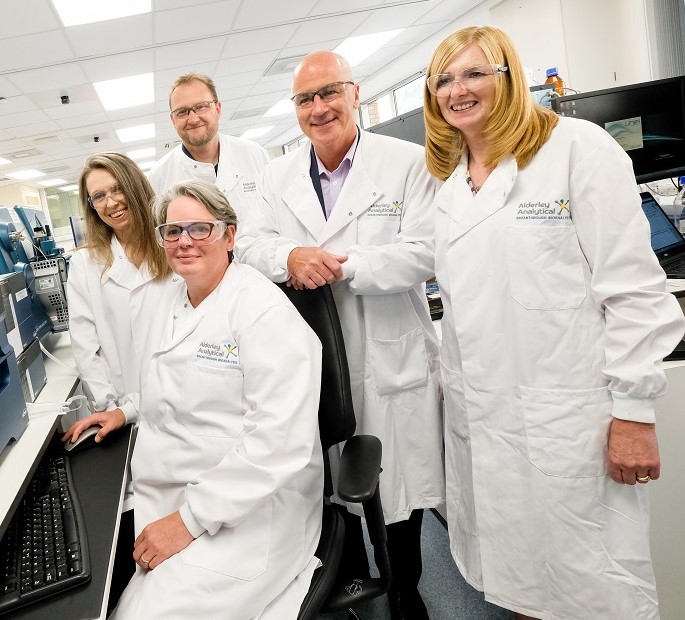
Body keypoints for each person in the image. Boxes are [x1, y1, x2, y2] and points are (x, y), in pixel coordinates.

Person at [423, 25, 685, 620]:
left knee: (592, 585)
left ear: (509, 77)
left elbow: (636, 292)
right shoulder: (451, 181)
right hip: (487, 422)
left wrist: (635, 415)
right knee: (521, 580)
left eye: (473, 74)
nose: (456, 90)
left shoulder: (578, 148)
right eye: (443, 79)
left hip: (570, 418)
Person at [236, 51, 444, 619]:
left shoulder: (408, 163)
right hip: (316, 359)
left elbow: (426, 252)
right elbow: (250, 247)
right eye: (306, 99)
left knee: (400, 493)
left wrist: (343, 266)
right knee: (330, 488)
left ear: (356, 94)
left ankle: (407, 592)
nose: (319, 108)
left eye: (330, 93)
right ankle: (349, 585)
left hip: (390, 348)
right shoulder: (274, 177)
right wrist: (291, 254)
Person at [107, 181, 323, 619]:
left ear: (229, 235)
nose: (184, 240)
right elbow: (168, 384)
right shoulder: (173, 300)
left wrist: (188, 521)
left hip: (250, 507)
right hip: (177, 490)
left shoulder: (263, 313)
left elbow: (278, 443)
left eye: (199, 228)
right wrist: (125, 410)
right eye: (172, 231)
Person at [62, 152, 173, 608]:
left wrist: (134, 406)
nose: (110, 203)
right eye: (97, 197)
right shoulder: (86, 263)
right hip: (123, 415)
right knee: (130, 539)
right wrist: (113, 407)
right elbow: (85, 343)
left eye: (115, 189)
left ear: (135, 184)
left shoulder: (172, 245)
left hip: (176, 405)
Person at [147, 72, 269, 221]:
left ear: (217, 109)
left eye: (201, 107)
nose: (192, 119)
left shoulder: (253, 154)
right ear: (173, 119)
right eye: (182, 112)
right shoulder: (159, 176)